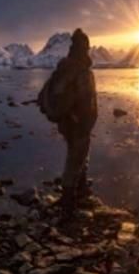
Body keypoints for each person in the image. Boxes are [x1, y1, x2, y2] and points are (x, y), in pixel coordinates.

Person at [38, 28, 98, 217]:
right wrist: (85, 119)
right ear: (85, 46)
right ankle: (69, 200)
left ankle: (80, 188)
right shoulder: (81, 70)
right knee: (76, 157)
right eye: (87, 45)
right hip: (78, 122)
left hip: (67, 121)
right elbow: (85, 99)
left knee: (77, 153)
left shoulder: (65, 66)